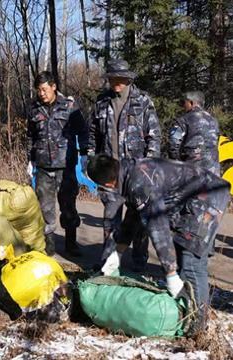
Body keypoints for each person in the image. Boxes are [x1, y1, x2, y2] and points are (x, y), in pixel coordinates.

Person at [88, 154, 230, 330]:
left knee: (191, 262)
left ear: (108, 184)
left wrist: (170, 274)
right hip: (193, 200)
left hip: (208, 197)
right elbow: (133, 216)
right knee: (181, 253)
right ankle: (185, 311)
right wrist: (118, 252)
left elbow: (158, 228)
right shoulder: (129, 173)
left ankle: (197, 326)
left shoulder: (139, 182)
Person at [87, 59, 161, 271]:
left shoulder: (143, 101)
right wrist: (92, 159)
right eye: (112, 78)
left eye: (120, 78)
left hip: (136, 174)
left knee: (138, 222)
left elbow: (154, 136)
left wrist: (148, 167)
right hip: (110, 175)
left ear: (128, 78)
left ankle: (139, 263)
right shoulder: (101, 102)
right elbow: (92, 134)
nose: (116, 82)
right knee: (110, 221)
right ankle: (108, 264)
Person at [27, 71, 88, 256]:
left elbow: (83, 131)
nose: (41, 94)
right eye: (39, 90)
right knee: (45, 207)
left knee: (68, 205)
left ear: (53, 86)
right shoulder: (34, 109)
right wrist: (29, 160)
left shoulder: (69, 106)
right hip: (43, 165)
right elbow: (30, 136)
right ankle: (49, 245)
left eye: (44, 89)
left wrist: (84, 154)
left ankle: (71, 243)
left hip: (65, 165)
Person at [168, 91, 220, 175]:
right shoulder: (213, 120)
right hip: (213, 170)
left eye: (184, 102)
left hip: (192, 169)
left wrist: (177, 163)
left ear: (191, 103)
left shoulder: (183, 120)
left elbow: (173, 144)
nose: (183, 106)